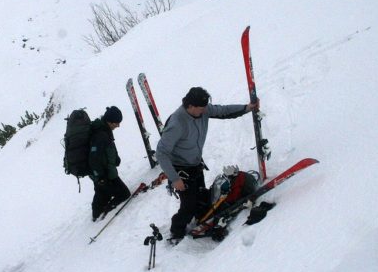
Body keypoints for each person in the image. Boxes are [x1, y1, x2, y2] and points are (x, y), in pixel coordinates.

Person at [156, 87, 258, 242]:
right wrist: (174, 178)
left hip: (195, 164)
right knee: (188, 205)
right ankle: (176, 233)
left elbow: (222, 111)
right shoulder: (177, 123)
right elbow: (161, 153)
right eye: (201, 108)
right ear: (190, 106)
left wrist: (245, 108)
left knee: (202, 197)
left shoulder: (201, 110)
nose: (205, 111)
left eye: (205, 107)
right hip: (180, 170)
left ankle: (201, 220)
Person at [88, 106, 131, 221]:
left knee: (102, 192)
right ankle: (106, 213)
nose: (118, 125)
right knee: (124, 194)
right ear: (110, 121)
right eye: (117, 123)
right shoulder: (101, 135)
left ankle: (96, 215)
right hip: (103, 174)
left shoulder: (104, 131)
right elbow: (94, 158)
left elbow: (107, 150)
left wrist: (115, 159)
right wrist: (100, 177)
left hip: (103, 172)